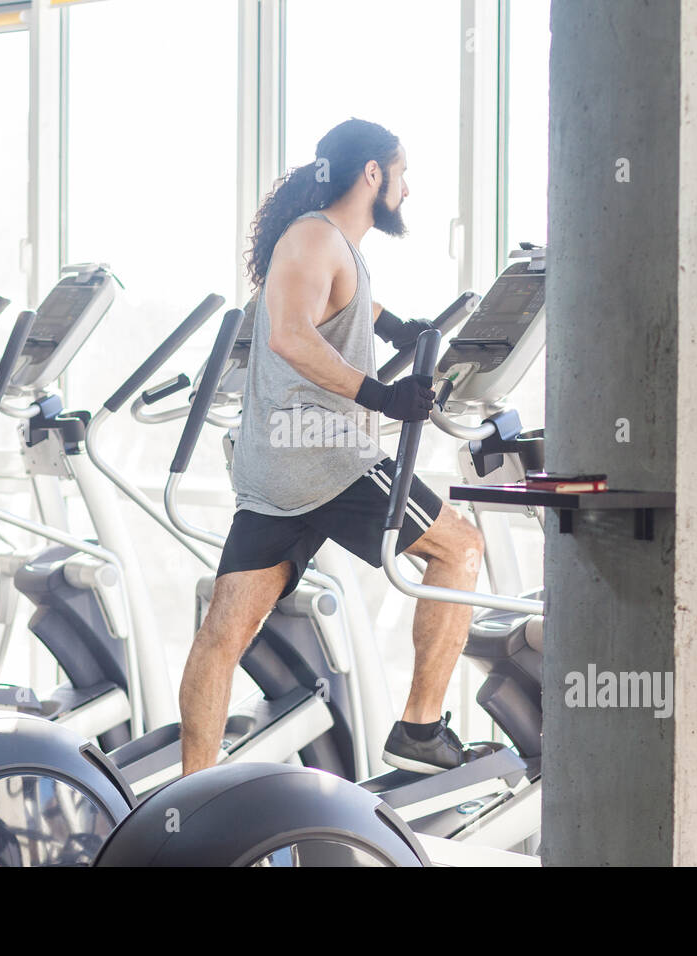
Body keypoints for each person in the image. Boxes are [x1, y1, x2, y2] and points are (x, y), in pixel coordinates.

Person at [178, 118, 485, 776]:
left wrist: (396, 323)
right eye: (402, 174)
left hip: (277, 470)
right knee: (459, 547)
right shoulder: (318, 238)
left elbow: (328, 303)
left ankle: (189, 794)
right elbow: (291, 333)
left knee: (223, 632)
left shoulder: (323, 240)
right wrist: (380, 397)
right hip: (327, 460)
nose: (409, 188)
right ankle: (420, 729)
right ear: (372, 174)